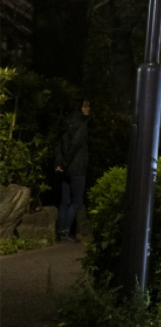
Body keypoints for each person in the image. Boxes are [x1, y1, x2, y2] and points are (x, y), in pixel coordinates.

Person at [54, 98, 90, 243]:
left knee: (65, 201)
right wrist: (65, 163)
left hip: (66, 169)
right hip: (76, 168)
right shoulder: (81, 125)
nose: (88, 109)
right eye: (86, 106)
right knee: (77, 201)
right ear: (81, 108)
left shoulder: (66, 123)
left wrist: (59, 163)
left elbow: (59, 146)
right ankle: (65, 231)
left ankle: (60, 231)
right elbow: (75, 145)